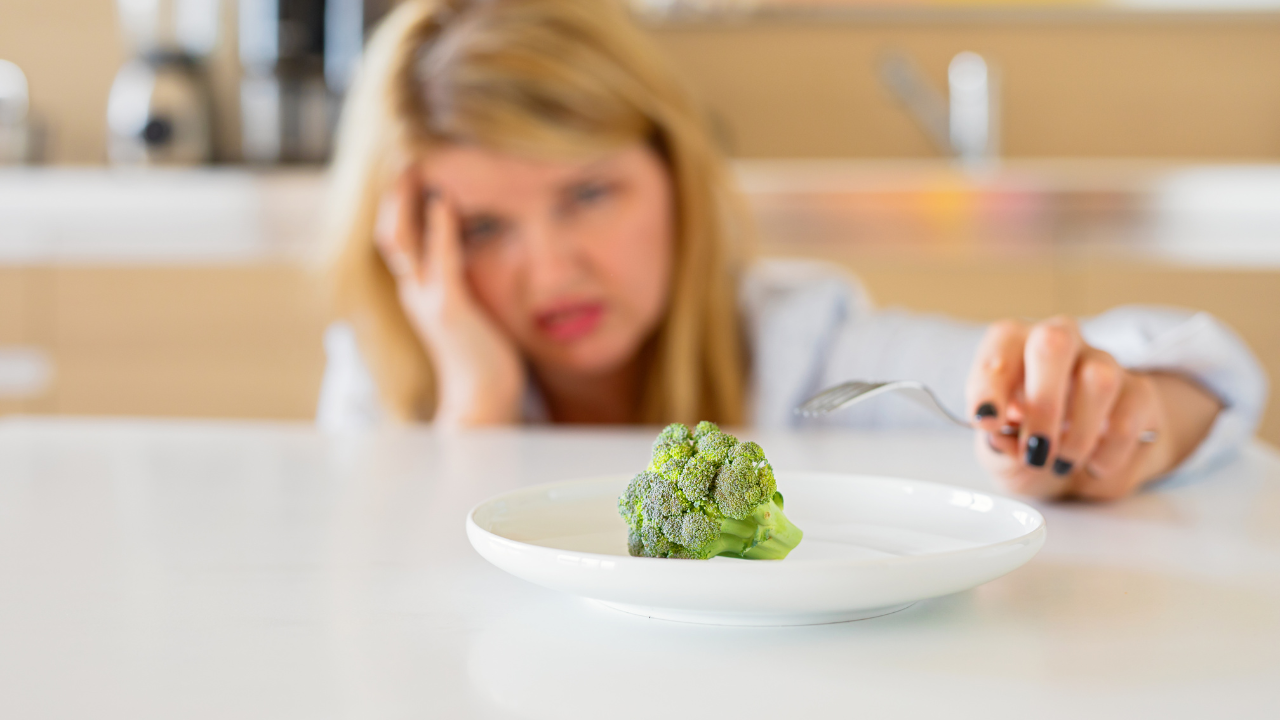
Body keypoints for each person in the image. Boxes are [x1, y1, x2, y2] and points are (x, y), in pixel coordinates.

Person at [318, 0, 1267, 501]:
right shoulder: (389, 382)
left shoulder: (800, 343)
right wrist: (477, 402)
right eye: (484, 229)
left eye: (588, 194)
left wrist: (1117, 414)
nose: (552, 269)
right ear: (414, 243)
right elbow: (406, 606)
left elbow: (1193, 385)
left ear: (676, 175)